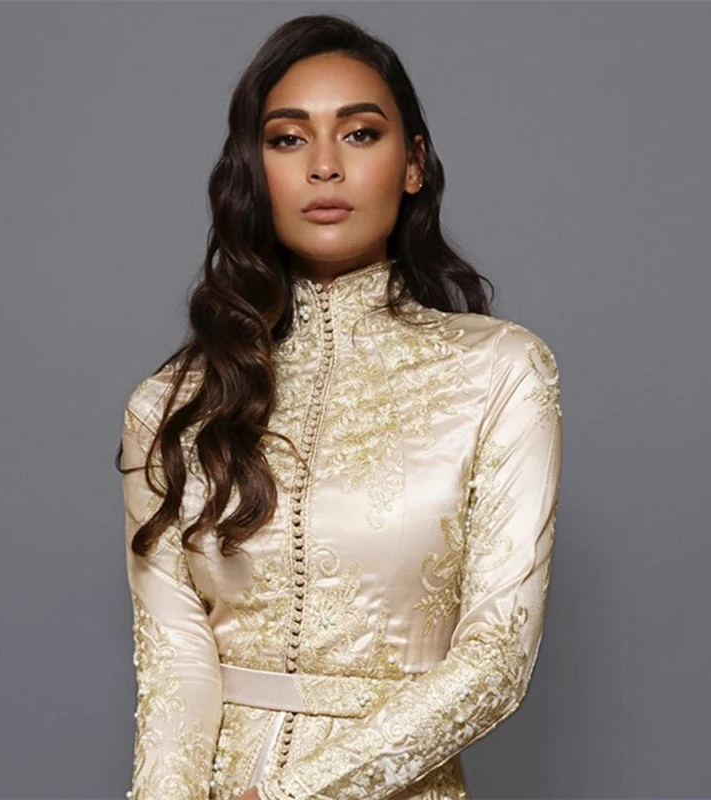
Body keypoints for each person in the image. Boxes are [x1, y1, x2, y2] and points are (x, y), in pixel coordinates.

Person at [116, 13, 563, 800]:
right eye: (288, 139)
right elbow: (177, 666)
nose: (324, 166)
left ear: (413, 163)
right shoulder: (174, 405)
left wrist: (292, 795)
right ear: (255, 170)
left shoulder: (499, 372)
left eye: (359, 134)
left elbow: (497, 660)